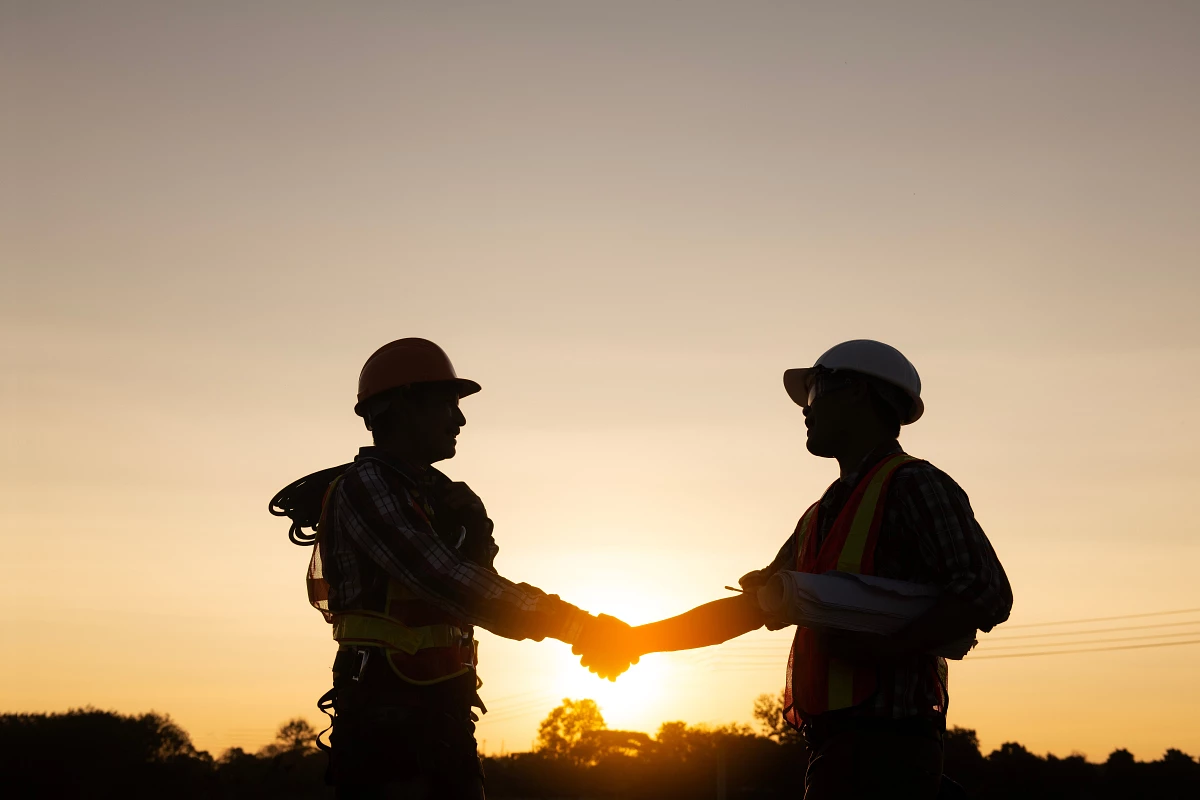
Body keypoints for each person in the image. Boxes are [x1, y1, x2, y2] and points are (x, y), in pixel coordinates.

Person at [579, 340, 1013, 799]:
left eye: (815, 391)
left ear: (859, 393)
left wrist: (887, 649)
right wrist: (635, 641)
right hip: (836, 750)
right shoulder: (819, 515)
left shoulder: (916, 484)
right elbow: (749, 610)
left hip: (890, 748)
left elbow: (985, 591)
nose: (805, 410)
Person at [271, 338, 627, 799]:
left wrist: (477, 538)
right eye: (447, 404)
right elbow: (447, 581)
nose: (460, 419)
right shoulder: (366, 487)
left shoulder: (428, 495)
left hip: (437, 722)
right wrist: (577, 625)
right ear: (402, 407)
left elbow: (472, 589)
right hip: (389, 736)